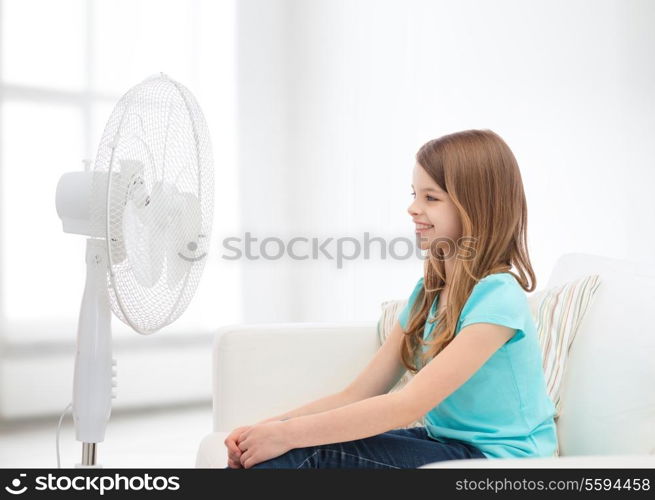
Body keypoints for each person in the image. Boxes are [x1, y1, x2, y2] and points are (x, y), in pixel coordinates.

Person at [224, 129, 558, 469]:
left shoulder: (497, 296)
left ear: (476, 205)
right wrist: (267, 429)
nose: (413, 208)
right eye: (415, 194)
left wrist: (288, 436)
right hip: (444, 443)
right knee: (280, 452)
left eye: (431, 198)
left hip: (496, 460)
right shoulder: (428, 294)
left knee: (303, 453)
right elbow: (356, 394)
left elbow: (408, 405)